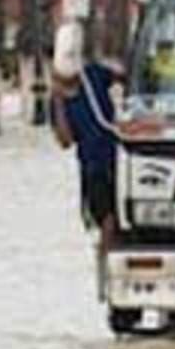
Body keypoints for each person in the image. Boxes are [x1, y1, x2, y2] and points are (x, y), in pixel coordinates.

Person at [50, 34, 127, 241]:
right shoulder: (59, 102)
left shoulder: (93, 75)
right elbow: (65, 141)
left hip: (118, 156)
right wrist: (58, 103)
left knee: (122, 219)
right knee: (105, 221)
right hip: (93, 166)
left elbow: (122, 79)